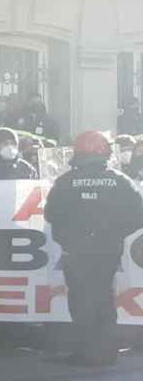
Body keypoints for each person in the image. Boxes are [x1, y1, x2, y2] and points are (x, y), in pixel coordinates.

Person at [44, 131, 143, 368]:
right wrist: (115, 232)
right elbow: (139, 214)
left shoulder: (66, 181)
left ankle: (86, 352)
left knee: (80, 300)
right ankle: (106, 351)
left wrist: (68, 237)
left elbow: (50, 214)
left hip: (75, 251)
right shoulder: (119, 180)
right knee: (104, 298)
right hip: (107, 249)